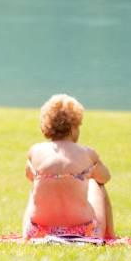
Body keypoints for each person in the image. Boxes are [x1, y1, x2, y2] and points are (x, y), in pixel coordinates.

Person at [23, 94, 115, 240]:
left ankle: (26, 236)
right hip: (84, 232)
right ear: (73, 127)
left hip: (39, 232)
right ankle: (110, 236)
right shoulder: (87, 153)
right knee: (97, 183)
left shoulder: (35, 151)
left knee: (36, 183)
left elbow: (28, 175)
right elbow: (105, 177)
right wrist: (83, 174)